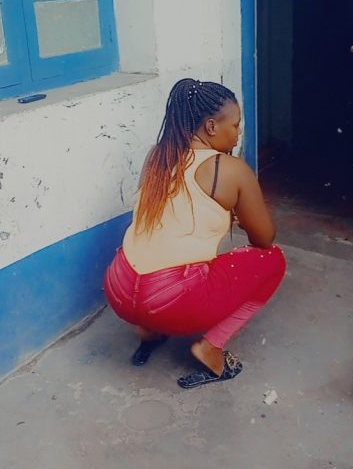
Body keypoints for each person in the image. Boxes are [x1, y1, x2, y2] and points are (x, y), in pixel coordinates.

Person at [104, 78, 286, 389]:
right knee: (274, 260)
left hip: (119, 288)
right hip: (171, 300)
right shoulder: (230, 168)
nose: (238, 133)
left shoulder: (156, 155)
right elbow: (263, 239)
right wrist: (243, 217)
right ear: (212, 127)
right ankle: (210, 348)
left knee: (153, 254)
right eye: (235, 125)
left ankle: (148, 330)